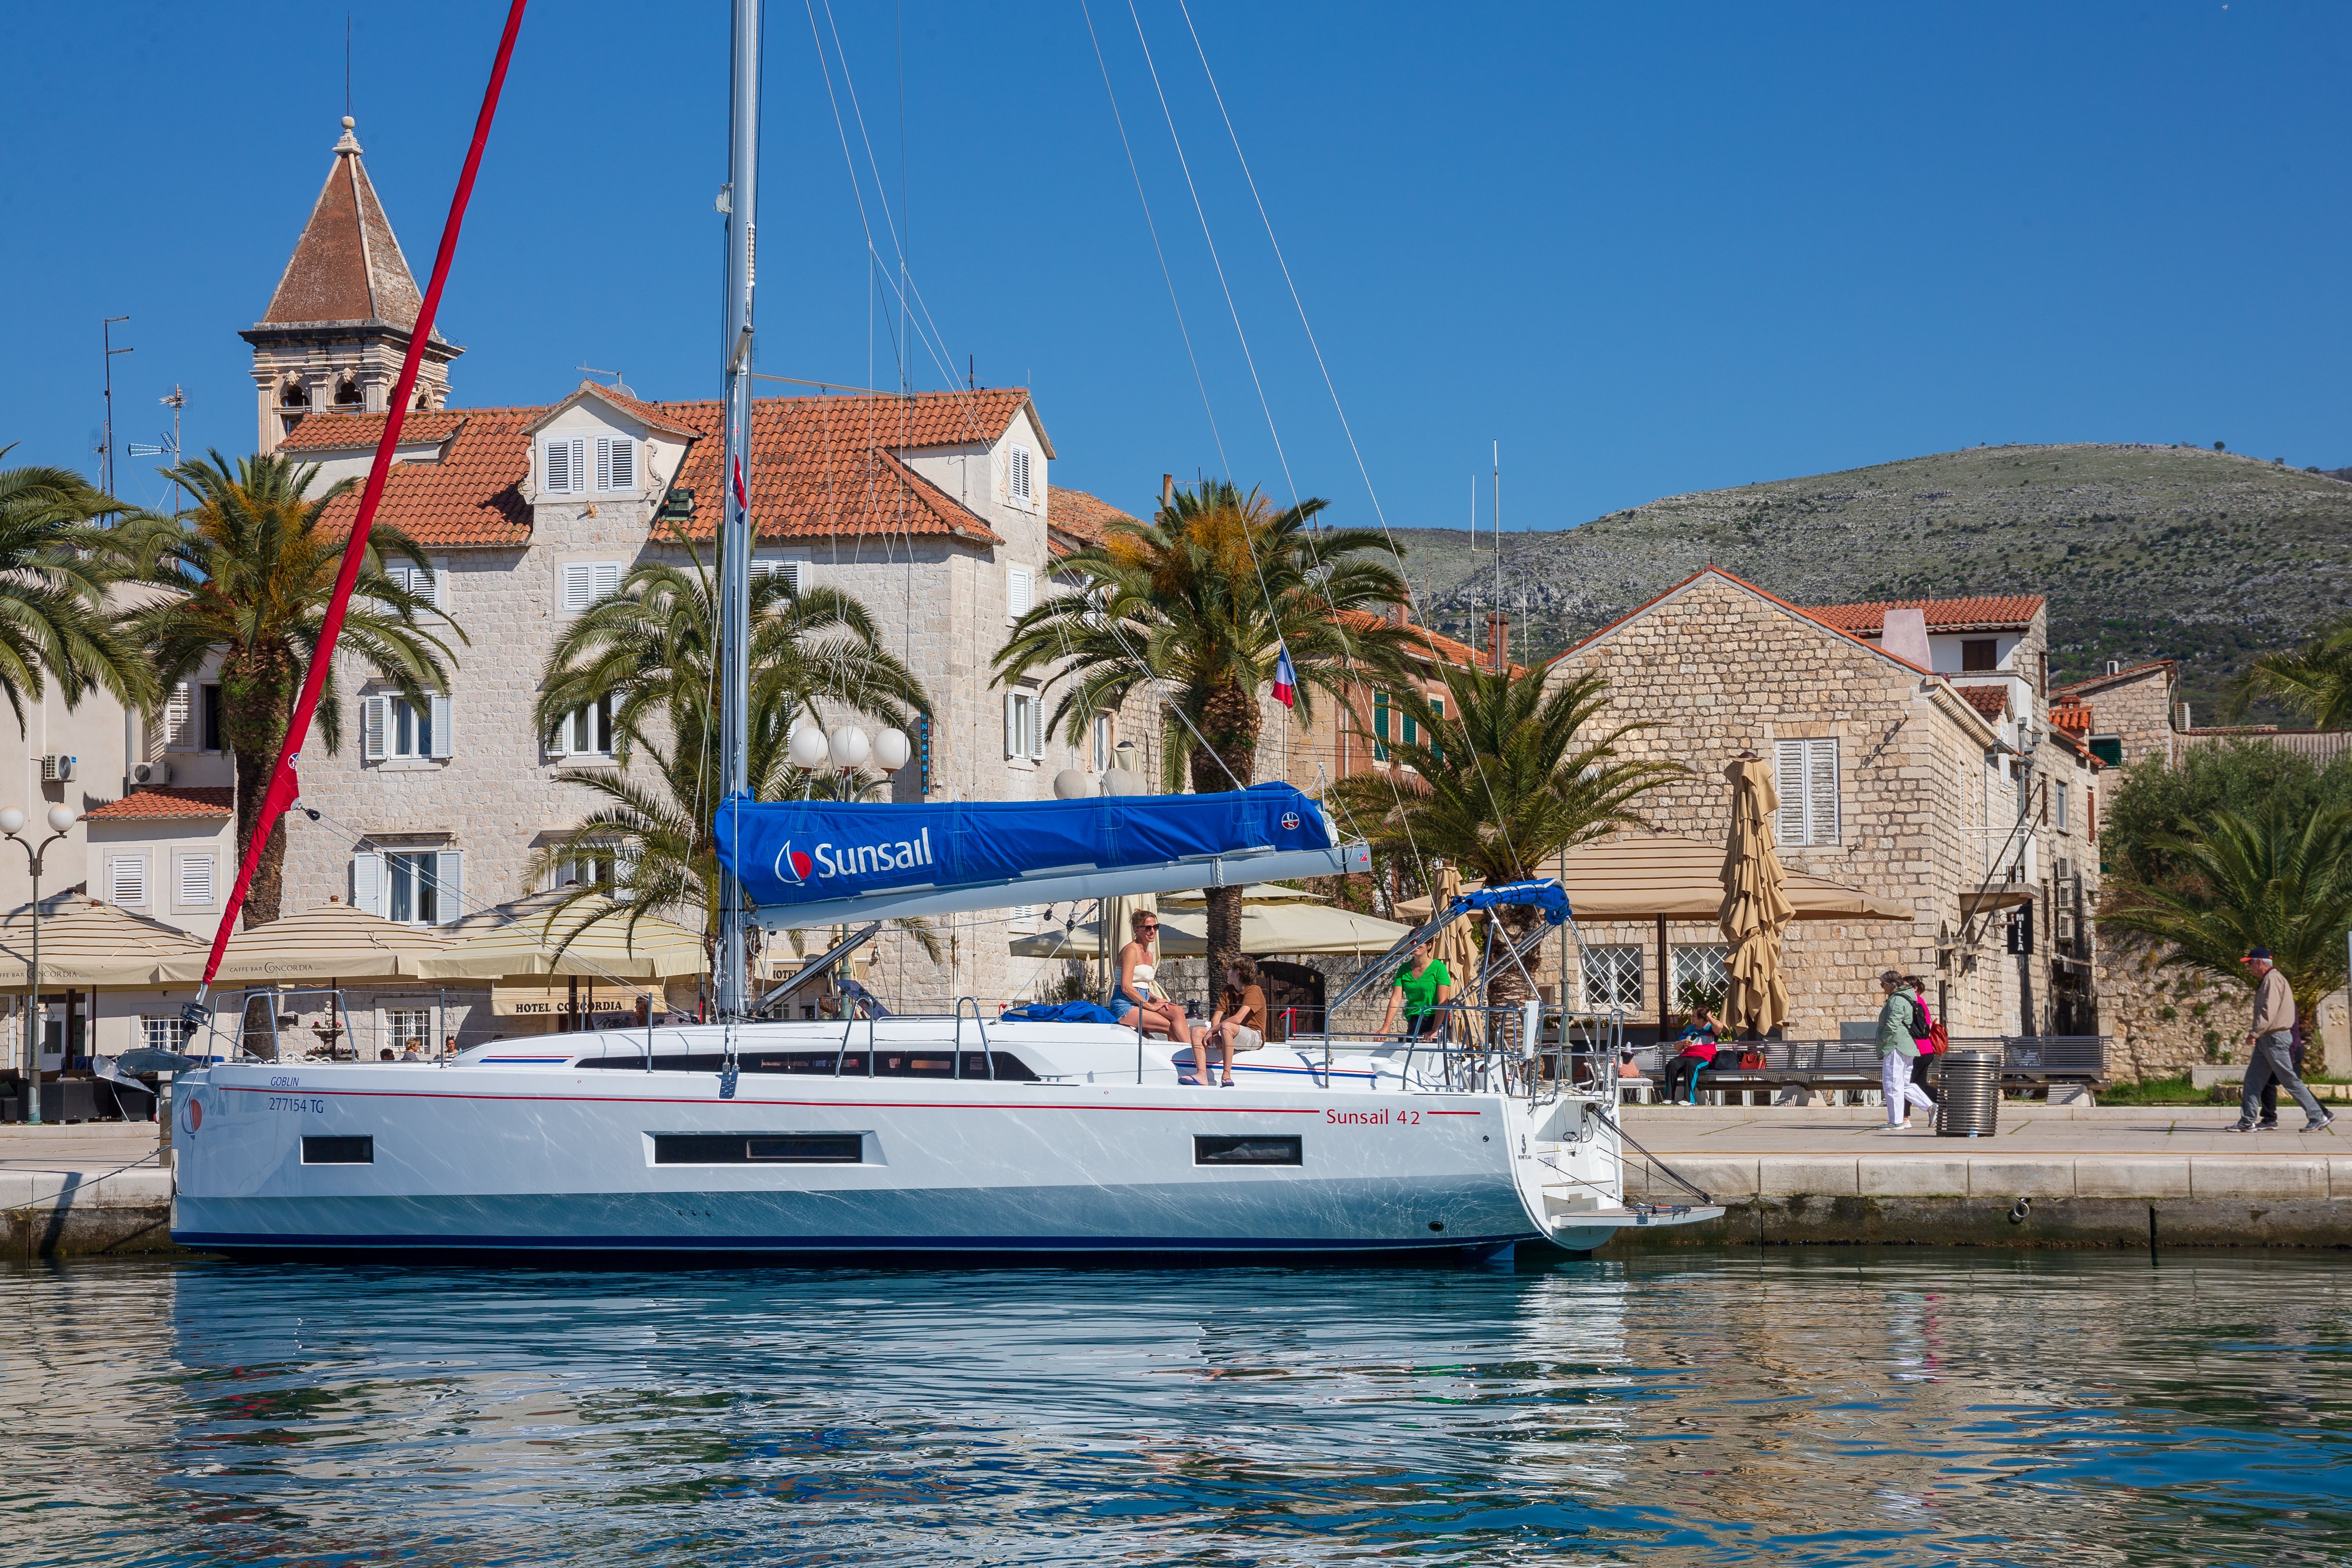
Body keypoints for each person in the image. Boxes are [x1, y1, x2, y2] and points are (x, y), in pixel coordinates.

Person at [2233, 947, 2332, 1133]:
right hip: (2267, 1039)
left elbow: (2268, 1011)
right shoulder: (2269, 980)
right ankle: (2247, 1121)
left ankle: (2318, 1116)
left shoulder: (2273, 980)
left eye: (2250, 963)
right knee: (2253, 1080)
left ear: (2260, 962)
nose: (2249, 968)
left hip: (2275, 1038)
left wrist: (2255, 1032)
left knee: (2289, 1080)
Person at [1111, 908, 1189, 1044]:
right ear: (1137, 930)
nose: (1152, 931)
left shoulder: (1150, 954)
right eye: (1148, 928)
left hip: (1142, 1000)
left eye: (1155, 927)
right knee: (1169, 1026)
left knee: (1178, 1011)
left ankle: (1189, 1053)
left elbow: (1143, 985)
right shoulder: (1131, 950)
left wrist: (1156, 998)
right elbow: (1126, 987)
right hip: (1125, 1004)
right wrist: (1151, 1006)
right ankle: (1191, 1055)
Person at [1192, 957, 1270, 1087]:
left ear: (1237, 972)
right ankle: (1202, 1075)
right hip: (1231, 1032)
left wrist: (1212, 1031)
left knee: (1227, 1026)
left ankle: (1226, 1075)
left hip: (1254, 1036)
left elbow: (1238, 1018)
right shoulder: (1228, 990)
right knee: (1197, 1031)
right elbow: (1216, 1018)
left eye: (1230, 969)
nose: (1227, 972)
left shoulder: (1254, 990)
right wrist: (1216, 1035)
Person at [1875, 970, 1935, 1131]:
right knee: (1903, 1083)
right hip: (1907, 1044)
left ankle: (1896, 1121)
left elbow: (1893, 1022)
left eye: (1883, 985)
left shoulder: (1897, 999)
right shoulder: (1909, 997)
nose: (1882, 988)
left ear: (1891, 984)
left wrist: (1883, 1038)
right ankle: (1929, 1106)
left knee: (1892, 1083)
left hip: (1896, 1044)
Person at [1377, 939, 1454, 1038]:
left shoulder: (1439, 968)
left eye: (1419, 941)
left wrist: (1435, 1029)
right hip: (1414, 1022)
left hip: (1435, 1020)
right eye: (1412, 941)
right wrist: (1386, 1027)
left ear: (1429, 946)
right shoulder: (1403, 969)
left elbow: (1443, 1001)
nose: (1414, 944)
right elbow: (1396, 999)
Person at [1662, 1005, 1720, 1104]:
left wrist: (1709, 1017)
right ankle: (1669, 1098)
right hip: (1686, 1056)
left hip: (1705, 1058)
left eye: (1694, 1016)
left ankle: (1690, 1099)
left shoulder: (1711, 1028)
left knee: (1691, 1064)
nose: (1692, 1018)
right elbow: (1677, 1047)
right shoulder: (1690, 1028)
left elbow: (1719, 1027)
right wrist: (1682, 1043)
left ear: (1702, 1018)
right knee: (1672, 1063)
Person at [1905, 977, 1941, 1106]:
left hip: (1919, 1050)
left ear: (1915, 989)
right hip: (1926, 1050)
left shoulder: (1914, 1002)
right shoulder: (1920, 1002)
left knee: (1906, 1084)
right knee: (1918, 1084)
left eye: (1905, 986)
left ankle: (1904, 1117)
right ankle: (1947, 1104)